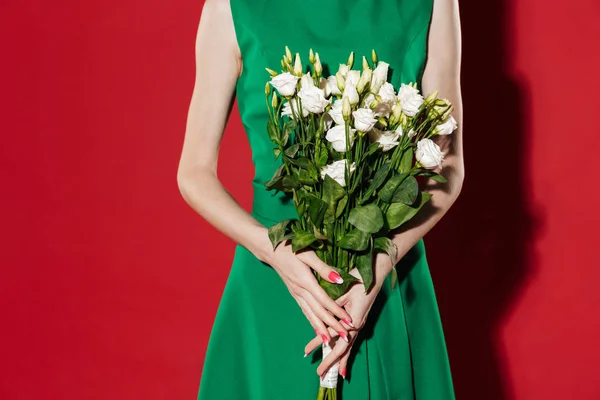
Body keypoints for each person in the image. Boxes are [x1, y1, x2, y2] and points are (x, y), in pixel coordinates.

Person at [177, 0, 463, 398]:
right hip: (273, 283)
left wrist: (380, 263)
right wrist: (273, 249)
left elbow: (447, 167)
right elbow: (194, 172)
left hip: (380, 283)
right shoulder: (230, 6)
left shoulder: (434, 4)